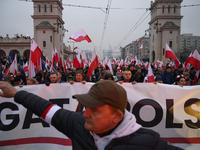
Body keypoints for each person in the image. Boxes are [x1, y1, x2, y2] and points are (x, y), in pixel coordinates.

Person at [0, 80, 183, 150]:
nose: (85, 114)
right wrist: (16, 93)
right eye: (86, 107)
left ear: (117, 116)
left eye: (94, 110)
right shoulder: (79, 125)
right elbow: (47, 109)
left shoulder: (150, 144)